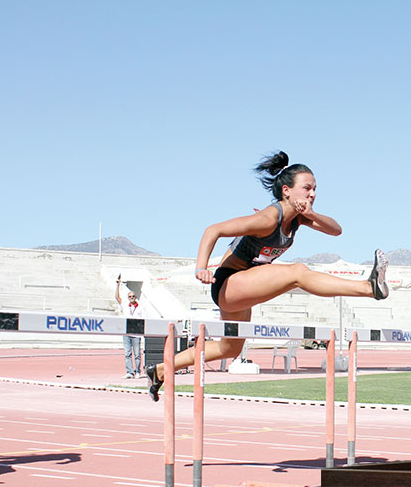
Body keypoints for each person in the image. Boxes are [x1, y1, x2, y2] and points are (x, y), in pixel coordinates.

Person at [144, 151, 389, 401]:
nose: (312, 194)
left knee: (230, 347)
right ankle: (369, 288)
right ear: (286, 191)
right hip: (229, 283)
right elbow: (213, 230)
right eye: (307, 188)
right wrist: (200, 268)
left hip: (247, 284)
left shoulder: (298, 219)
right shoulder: (268, 218)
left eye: (315, 189)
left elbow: (336, 230)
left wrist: (311, 214)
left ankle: (161, 370)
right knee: (297, 272)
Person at [115, 274, 144, 378]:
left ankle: (137, 371)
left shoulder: (140, 308)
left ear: (135, 297)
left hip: (136, 333)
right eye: (130, 296)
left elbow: (143, 319)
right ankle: (129, 372)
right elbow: (117, 297)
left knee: (137, 354)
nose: (131, 298)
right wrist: (118, 285)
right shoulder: (125, 305)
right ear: (128, 298)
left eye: (133, 296)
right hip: (126, 332)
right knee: (127, 353)